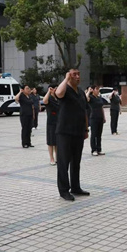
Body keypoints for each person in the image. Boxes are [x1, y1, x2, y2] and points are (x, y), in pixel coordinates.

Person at [55, 69, 90, 201]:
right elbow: (58, 93)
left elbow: (84, 111)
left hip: (78, 131)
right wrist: (66, 79)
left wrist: (86, 129)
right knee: (63, 162)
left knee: (76, 162)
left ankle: (75, 187)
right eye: (74, 74)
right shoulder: (65, 89)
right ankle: (64, 190)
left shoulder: (80, 92)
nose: (77, 76)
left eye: (78, 74)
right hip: (64, 132)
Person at [43, 86, 59, 165]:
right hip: (51, 122)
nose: (56, 90)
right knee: (51, 142)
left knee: (57, 142)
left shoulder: (58, 98)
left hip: (58, 121)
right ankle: (51, 158)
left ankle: (57, 157)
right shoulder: (49, 98)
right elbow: (44, 101)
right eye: (55, 89)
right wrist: (49, 92)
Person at [87, 86, 106, 156]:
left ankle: (99, 149)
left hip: (100, 117)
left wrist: (104, 117)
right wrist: (88, 91)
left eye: (98, 89)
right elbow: (86, 99)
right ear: (93, 90)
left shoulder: (99, 97)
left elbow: (101, 107)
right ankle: (93, 149)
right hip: (93, 117)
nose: (98, 91)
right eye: (96, 89)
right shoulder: (91, 97)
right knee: (94, 134)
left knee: (99, 134)